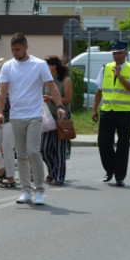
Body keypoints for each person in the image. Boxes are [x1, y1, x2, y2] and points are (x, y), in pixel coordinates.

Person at [0, 33, 67, 206]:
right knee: (20, 155)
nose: (15, 52)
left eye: (18, 49)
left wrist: (59, 106)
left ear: (26, 47)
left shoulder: (39, 64)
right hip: (16, 115)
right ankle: (25, 191)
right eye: (12, 49)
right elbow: (2, 92)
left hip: (35, 114)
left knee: (34, 151)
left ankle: (39, 191)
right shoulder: (7, 67)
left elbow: (53, 88)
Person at [92, 41, 130, 188]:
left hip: (124, 113)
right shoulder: (105, 68)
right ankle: (110, 169)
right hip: (107, 111)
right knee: (103, 142)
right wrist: (95, 109)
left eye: (119, 53)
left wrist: (120, 76)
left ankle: (119, 176)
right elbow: (99, 90)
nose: (116, 56)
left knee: (122, 145)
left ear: (126, 53)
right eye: (114, 53)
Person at [41, 56, 73, 187]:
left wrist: (52, 99)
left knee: (59, 148)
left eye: (47, 65)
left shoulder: (65, 80)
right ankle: (52, 170)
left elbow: (68, 99)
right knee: (44, 148)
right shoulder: (46, 81)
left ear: (54, 66)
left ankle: (59, 175)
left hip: (61, 117)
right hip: (48, 118)